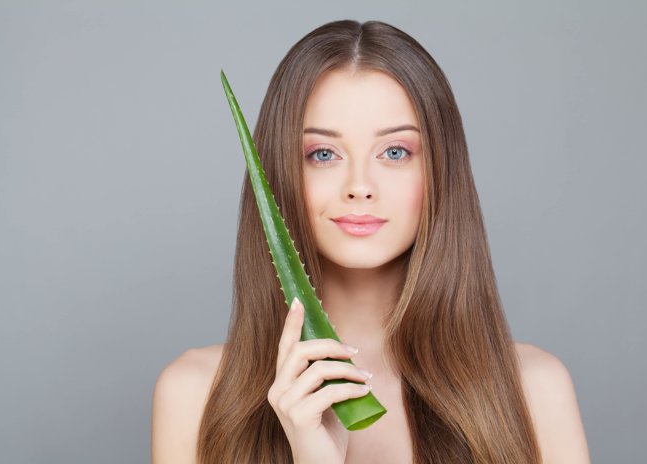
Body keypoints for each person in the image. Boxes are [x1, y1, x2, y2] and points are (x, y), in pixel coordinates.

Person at [151, 19, 590, 464]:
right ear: (280, 175)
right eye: (323, 154)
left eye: (395, 152)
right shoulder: (194, 395)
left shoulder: (534, 391)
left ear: (439, 172)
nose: (359, 186)